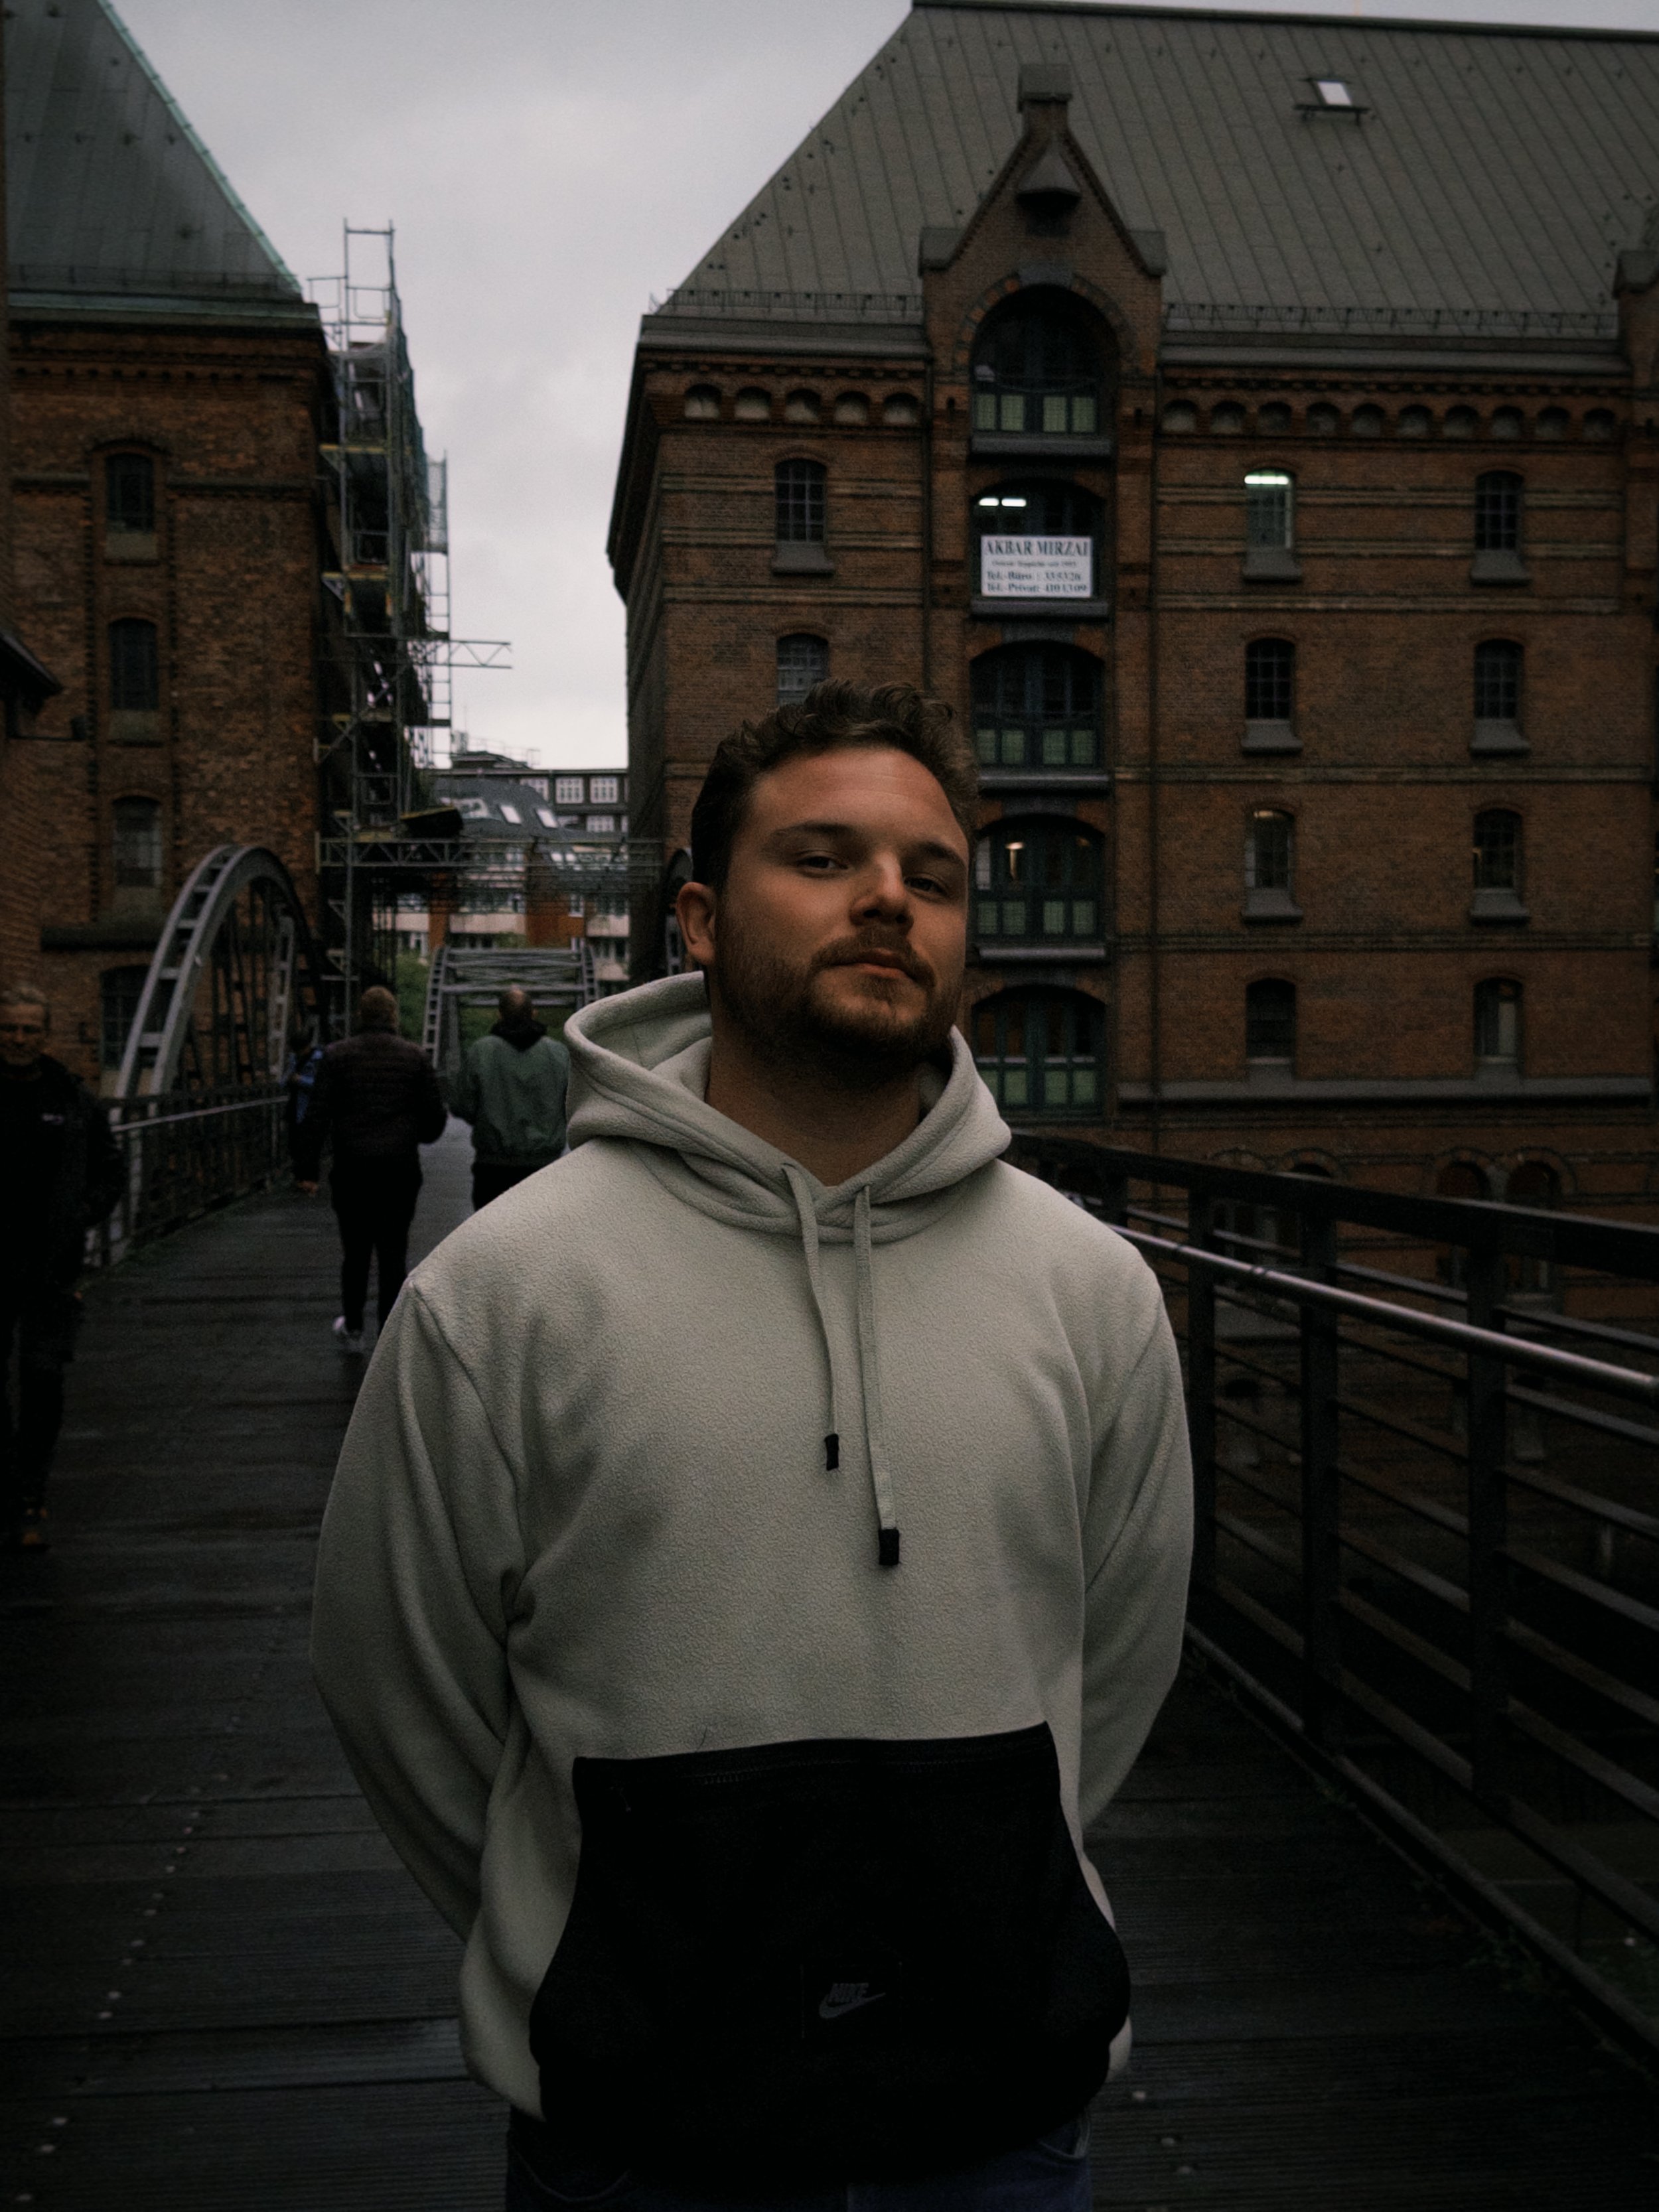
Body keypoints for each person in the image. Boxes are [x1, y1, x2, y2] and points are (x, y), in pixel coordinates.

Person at [313, 683, 1192, 2209]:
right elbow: (401, 1680)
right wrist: (595, 1922)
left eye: (931, 876)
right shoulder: (505, 1295)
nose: (886, 902)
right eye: (825, 858)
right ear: (705, 921)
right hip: (644, 2128)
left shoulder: (1089, 1290)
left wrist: (984, 1872)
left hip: (997, 2114)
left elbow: (1115, 1656)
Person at [0, 983, 123, 1549]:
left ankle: (31, 1494)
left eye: (30, 1029)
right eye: (10, 1028)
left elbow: (108, 1169)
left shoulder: (71, 1099)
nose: (19, 1038)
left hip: (51, 1268)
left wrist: (83, 1214)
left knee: (44, 1380)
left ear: (45, 1035)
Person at [294, 986, 446, 1355]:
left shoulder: (336, 1057)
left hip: (353, 1172)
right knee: (394, 1253)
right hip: (398, 1172)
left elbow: (316, 1117)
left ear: (361, 1016)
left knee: (356, 1253)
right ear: (393, 1016)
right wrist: (414, 1133)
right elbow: (435, 1122)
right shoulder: (415, 1058)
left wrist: (307, 1170)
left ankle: (354, 1327)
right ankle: (390, 1337)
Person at [449, 985, 571, 1211]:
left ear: (499, 1014)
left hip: (493, 1167)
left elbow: (461, 1106)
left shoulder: (480, 1051)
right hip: (545, 1167)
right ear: (534, 1013)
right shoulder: (559, 1054)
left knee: (493, 1240)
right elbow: (572, 1105)